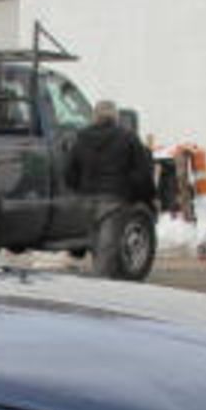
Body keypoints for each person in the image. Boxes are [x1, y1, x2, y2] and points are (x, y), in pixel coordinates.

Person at [66, 99, 156, 277]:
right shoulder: (128, 137)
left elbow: (69, 171)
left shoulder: (81, 137)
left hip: (88, 201)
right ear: (115, 116)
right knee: (107, 252)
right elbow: (143, 173)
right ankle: (101, 293)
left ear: (94, 116)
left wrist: (79, 190)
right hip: (115, 202)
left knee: (97, 246)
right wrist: (142, 196)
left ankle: (100, 285)